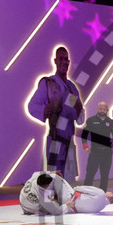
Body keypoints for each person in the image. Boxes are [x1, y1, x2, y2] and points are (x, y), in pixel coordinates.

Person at [27, 47, 85, 180]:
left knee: (70, 184)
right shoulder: (48, 84)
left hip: (69, 142)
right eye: (61, 59)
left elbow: (81, 119)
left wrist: (78, 109)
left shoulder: (72, 88)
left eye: (66, 59)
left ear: (69, 62)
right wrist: (44, 110)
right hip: (55, 140)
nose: (64, 62)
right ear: (55, 61)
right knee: (54, 184)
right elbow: (32, 106)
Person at [19, 171, 113, 215]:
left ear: (110, 195)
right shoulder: (99, 209)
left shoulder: (37, 175)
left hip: (24, 203)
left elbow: (84, 188)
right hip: (71, 207)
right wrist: (67, 205)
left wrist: (74, 189)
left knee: (57, 179)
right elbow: (54, 210)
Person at [80, 101, 113, 191]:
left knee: (105, 174)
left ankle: (102, 193)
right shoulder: (91, 120)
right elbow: (84, 135)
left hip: (107, 152)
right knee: (90, 173)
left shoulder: (111, 122)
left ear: (107, 110)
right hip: (95, 151)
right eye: (100, 109)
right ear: (97, 109)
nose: (102, 111)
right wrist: (85, 146)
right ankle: (85, 192)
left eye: (104, 109)